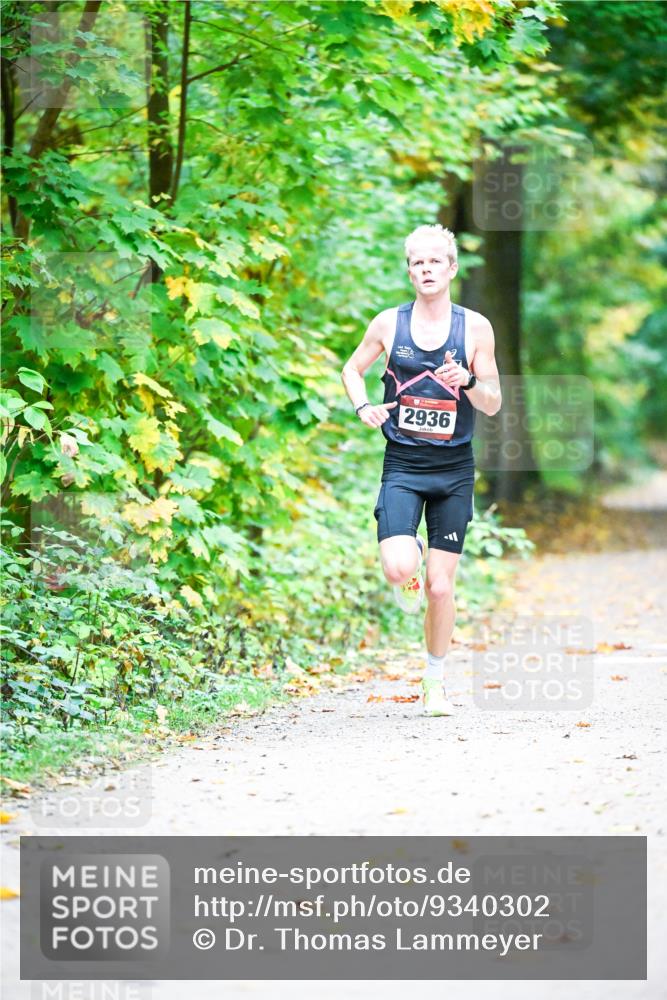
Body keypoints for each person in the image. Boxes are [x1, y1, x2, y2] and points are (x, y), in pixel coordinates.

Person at [341, 224, 501, 717]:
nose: (426, 269)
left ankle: (435, 681)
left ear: (451, 269)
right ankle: (405, 574)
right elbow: (352, 369)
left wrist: (469, 380)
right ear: (409, 270)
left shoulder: (474, 328)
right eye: (417, 262)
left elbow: (492, 403)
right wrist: (363, 404)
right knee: (399, 567)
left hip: (453, 469)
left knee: (440, 586)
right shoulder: (389, 324)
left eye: (435, 261)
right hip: (405, 464)